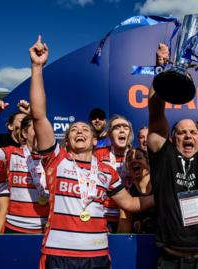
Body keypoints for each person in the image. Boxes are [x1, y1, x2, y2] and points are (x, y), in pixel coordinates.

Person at [27, 35, 153, 269]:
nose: (79, 132)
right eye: (74, 130)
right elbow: (39, 116)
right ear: (67, 139)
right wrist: (37, 67)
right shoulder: (56, 159)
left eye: (84, 129)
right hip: (58, 253)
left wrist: (167, 195)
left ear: (95, 140)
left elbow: (132, 204)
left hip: (97, 254)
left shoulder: (107, 172)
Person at [147, 43, 198, 268]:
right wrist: (160, 70)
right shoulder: (163, 157)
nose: (188, 136)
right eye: (181, 132)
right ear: (172, 139)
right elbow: (155, 114)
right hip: (171, 260)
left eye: (193, 132)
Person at [0, 106, 49, 234]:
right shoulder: (11, 153)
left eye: (43, 128)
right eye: (35, 128)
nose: (41, 131)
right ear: (24, 133)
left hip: (47, 228)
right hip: (14, 228)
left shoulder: (55, 157)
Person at [94, 115, 134, 232]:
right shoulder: (97, 154)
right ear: (110, 134)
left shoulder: (136, 156)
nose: (122, 130)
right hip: (102, 215)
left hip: (128, 215)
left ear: (130, 135)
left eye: (126, 128)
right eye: (117, 127)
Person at [118, 148, 155, 234]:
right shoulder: (127, 194)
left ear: (148, 163)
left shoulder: (161, 185)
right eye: (129, 159)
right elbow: (124, 230)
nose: (133, 161)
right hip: (139, 242)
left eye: (138, 158)